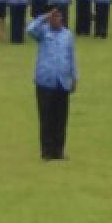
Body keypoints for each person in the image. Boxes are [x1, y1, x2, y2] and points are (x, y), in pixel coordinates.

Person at [27, 8, 77, 161]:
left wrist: (74, 77)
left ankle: (59, 150)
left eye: (58, 17)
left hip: (62, 81)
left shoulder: (67, 35)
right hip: (45, 80)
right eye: (53, 17)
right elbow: (29, 29)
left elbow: (71, 57)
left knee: (61, 118)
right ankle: (47, 151)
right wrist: (43, 17)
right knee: (46, 118)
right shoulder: (42, 33)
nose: (56, 19)